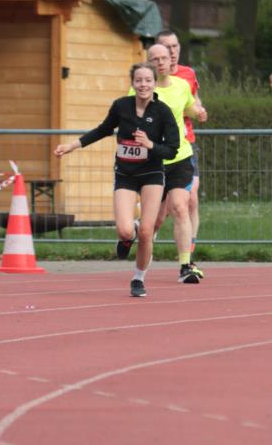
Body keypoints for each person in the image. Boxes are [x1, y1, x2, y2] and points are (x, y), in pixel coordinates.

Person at [54, 63, 178, 298]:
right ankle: (126, 236)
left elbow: (172, 150)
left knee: (146, 231)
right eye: (138, 80)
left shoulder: (163, 111)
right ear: (132, 83)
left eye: (148, 80)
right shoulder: (121, 106)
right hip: (126, 175)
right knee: (124, 230)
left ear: (154, 83)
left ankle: (138, 278)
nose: (143, 85)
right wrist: (72, 145)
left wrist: (150, 145)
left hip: (152, 174)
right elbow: (102, 130)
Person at [144, 44, 203, 284]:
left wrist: (199, 112)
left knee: (180, 206)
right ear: (149, 63)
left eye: (163, 58)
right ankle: (144, 249)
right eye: (154, 59)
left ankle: (185, 265)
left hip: (180, 156)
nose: (159, 62)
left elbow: (189, 107)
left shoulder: (181, 85)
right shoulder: (142, 87)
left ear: (171, 62)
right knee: (156, 218)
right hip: (153, 159)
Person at [155, 29, 208, 254]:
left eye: (175, 46)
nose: (172, 51)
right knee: (161, 209)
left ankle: (190, 248)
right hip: (160, 146)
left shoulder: (188, 74)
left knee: (191, 197)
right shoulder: (150, 77)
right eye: (166, 47)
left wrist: (200, 110)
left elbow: (194, 101)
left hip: (186, 142)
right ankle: (147, 234)